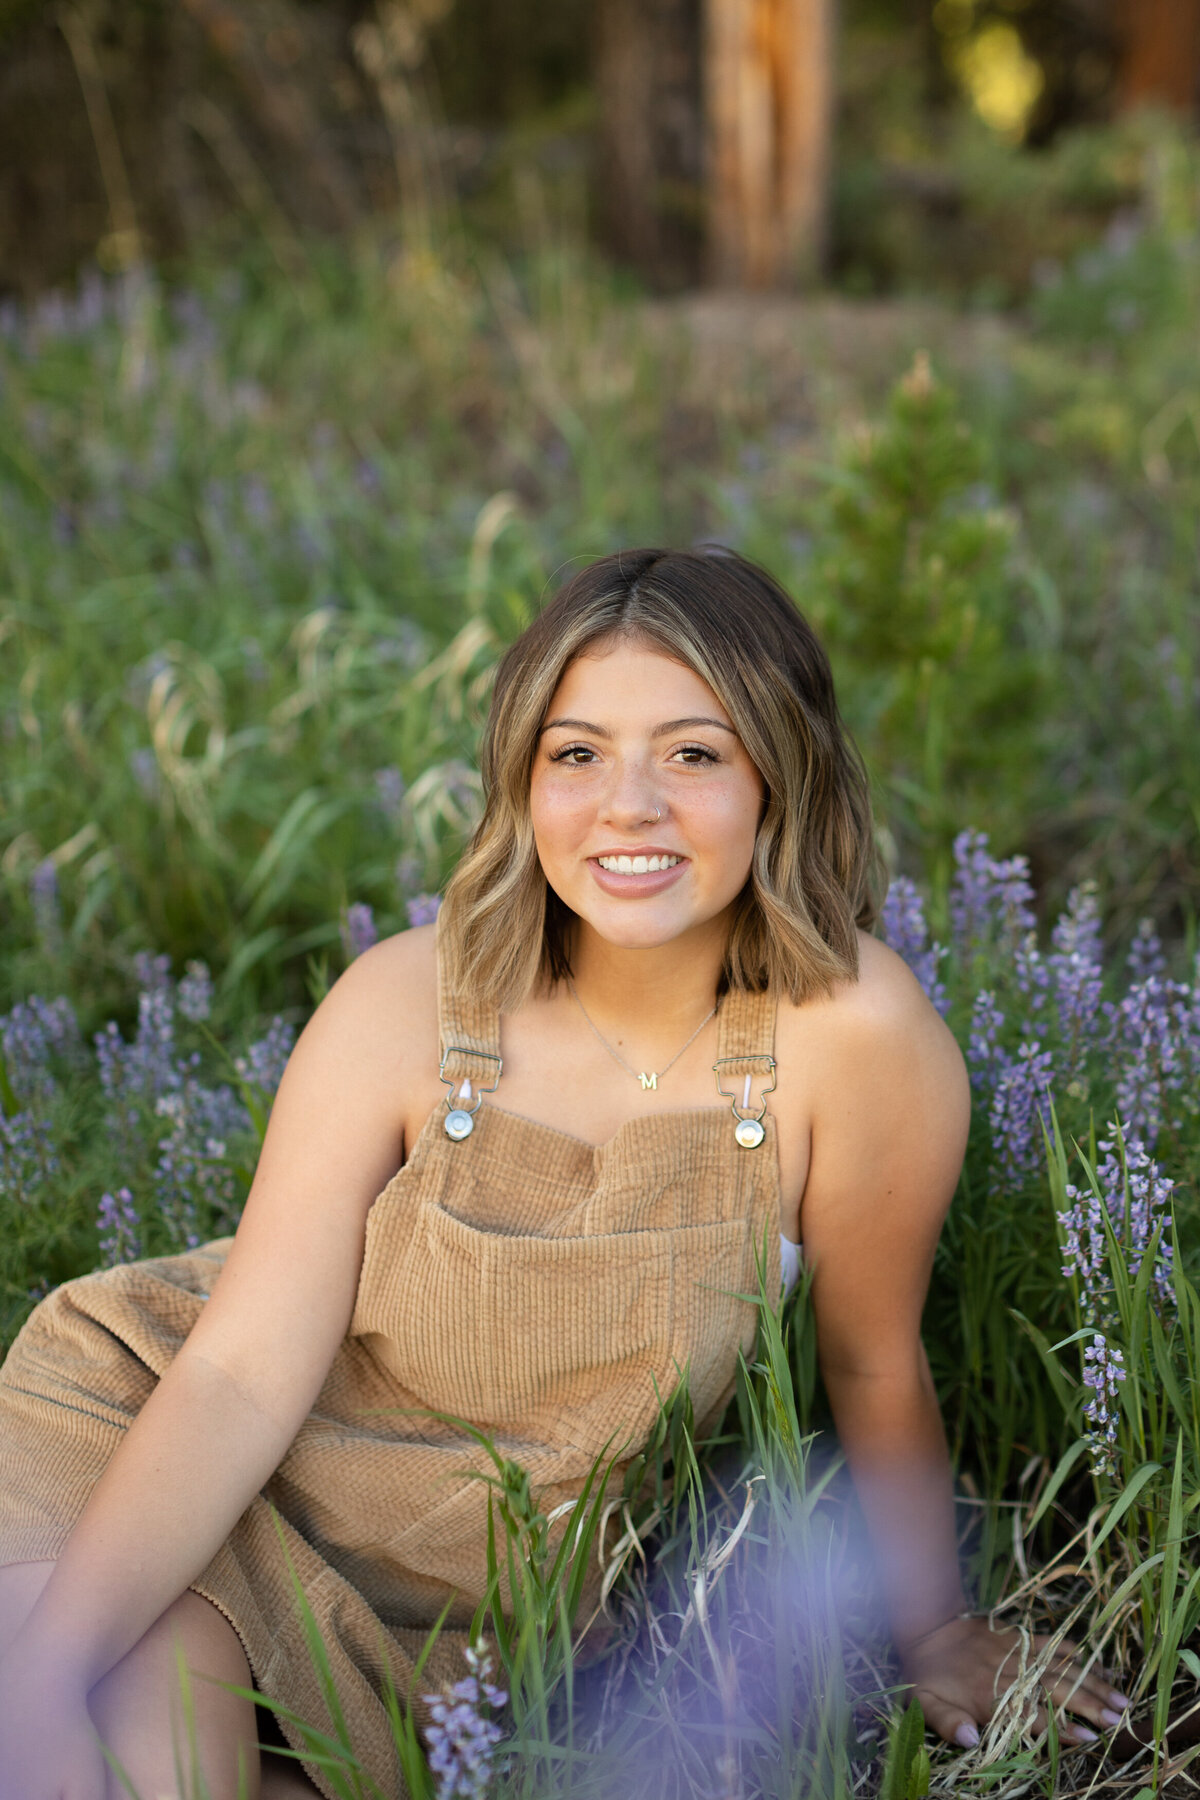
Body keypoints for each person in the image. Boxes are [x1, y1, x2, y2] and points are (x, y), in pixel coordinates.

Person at [0, 548, 1126, 1800]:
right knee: (109, 1763)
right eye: (575, 753)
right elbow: (235, 1370)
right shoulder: (408, 1003)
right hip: (166, 1461)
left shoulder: (852, 1041)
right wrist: (40, 1682)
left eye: (693, 754)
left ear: (778, 773)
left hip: (463, 1622)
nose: (627, 805)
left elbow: (872, 1356)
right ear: (522, 781)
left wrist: (935, 1632)